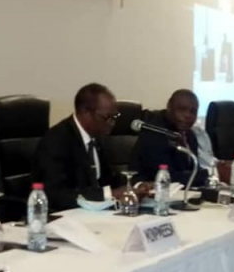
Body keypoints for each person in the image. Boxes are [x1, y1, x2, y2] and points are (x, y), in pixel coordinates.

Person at [32, 83, 149, 212]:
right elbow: (55, 194)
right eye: (107, 117)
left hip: (97, 213)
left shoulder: (96, 138)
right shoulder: (57, 140)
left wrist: (135, 187)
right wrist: (109, 194)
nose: (112, 123)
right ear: (85, 112)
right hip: (67, 215)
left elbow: (109, 180)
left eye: (115, 116)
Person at [130, 89, 208, 187]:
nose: (188, 115)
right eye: (182, 109)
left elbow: (194, 169)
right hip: (148, 191)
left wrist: (203, 176)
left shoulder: (190, 135)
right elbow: (166, 177)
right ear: (169, 107)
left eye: (193, 111)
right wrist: (204, 175)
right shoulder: (154, 133)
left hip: (181, 191)